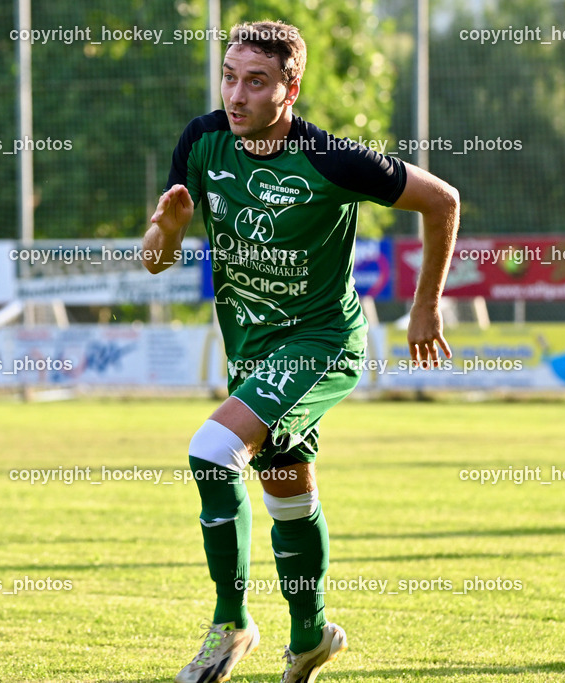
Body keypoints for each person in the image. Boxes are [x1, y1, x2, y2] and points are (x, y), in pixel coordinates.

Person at [143, 20, 459, 683]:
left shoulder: (330, 159)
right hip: (253, 347)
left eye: (255, 82)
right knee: (285, 486)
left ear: (291, 88)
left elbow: (441, 200)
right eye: (229, 76)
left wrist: (425, 303)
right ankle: (313, 633)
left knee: (211, 448)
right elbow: (155, 261)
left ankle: (231, 621)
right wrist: (166, 234)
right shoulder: (202, 142)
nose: (236, 95)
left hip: (321, 344)